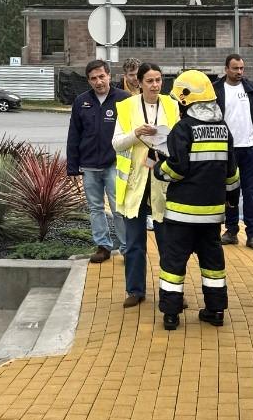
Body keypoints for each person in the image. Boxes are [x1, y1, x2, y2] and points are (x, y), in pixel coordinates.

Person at [153, 70, 240, 331]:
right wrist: (232, 201)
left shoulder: (183, 128)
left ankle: (171, 315)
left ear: (185, 101)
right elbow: (232, 173)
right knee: (213, 263)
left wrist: (159, 169)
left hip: (181, 214)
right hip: (212, 215)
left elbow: (176, 169)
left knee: (173, 264)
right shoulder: (223, 129)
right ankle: (215, 311)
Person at [112, 62, 180, 307]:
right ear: (139, 83)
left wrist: (164, 140)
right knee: (134, 242)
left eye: (159, 80)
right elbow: (117, 144)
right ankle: (135, 290)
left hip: (162, 180)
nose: (155, 85)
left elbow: (179, 141)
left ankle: (171, 292)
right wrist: (136, 134)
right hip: (135, 182)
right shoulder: (127, 106)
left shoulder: (172, 105)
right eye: (150, 81)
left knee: (168, 242)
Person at [65, 59, 126, 262]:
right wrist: (73, 168)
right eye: (93, 78)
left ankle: (127, 248)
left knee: (119, 208)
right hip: (89, 165)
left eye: (101, 76)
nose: (98, 81)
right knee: (95, 208)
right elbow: (74, 134)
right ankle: (103, 246)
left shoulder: (124, 100)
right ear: (88, 81)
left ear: (109, 75)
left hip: (114, 164)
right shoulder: (81, 101)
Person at [213, 53, 253, 250]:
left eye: (241, 68)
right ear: (226, 69)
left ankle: (252, 234)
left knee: (251, 193)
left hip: (251, 149)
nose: (239, 72)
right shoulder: (216, 89)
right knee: (229, 193)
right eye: (235, 68)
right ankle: (231, 231)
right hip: (228, 150)